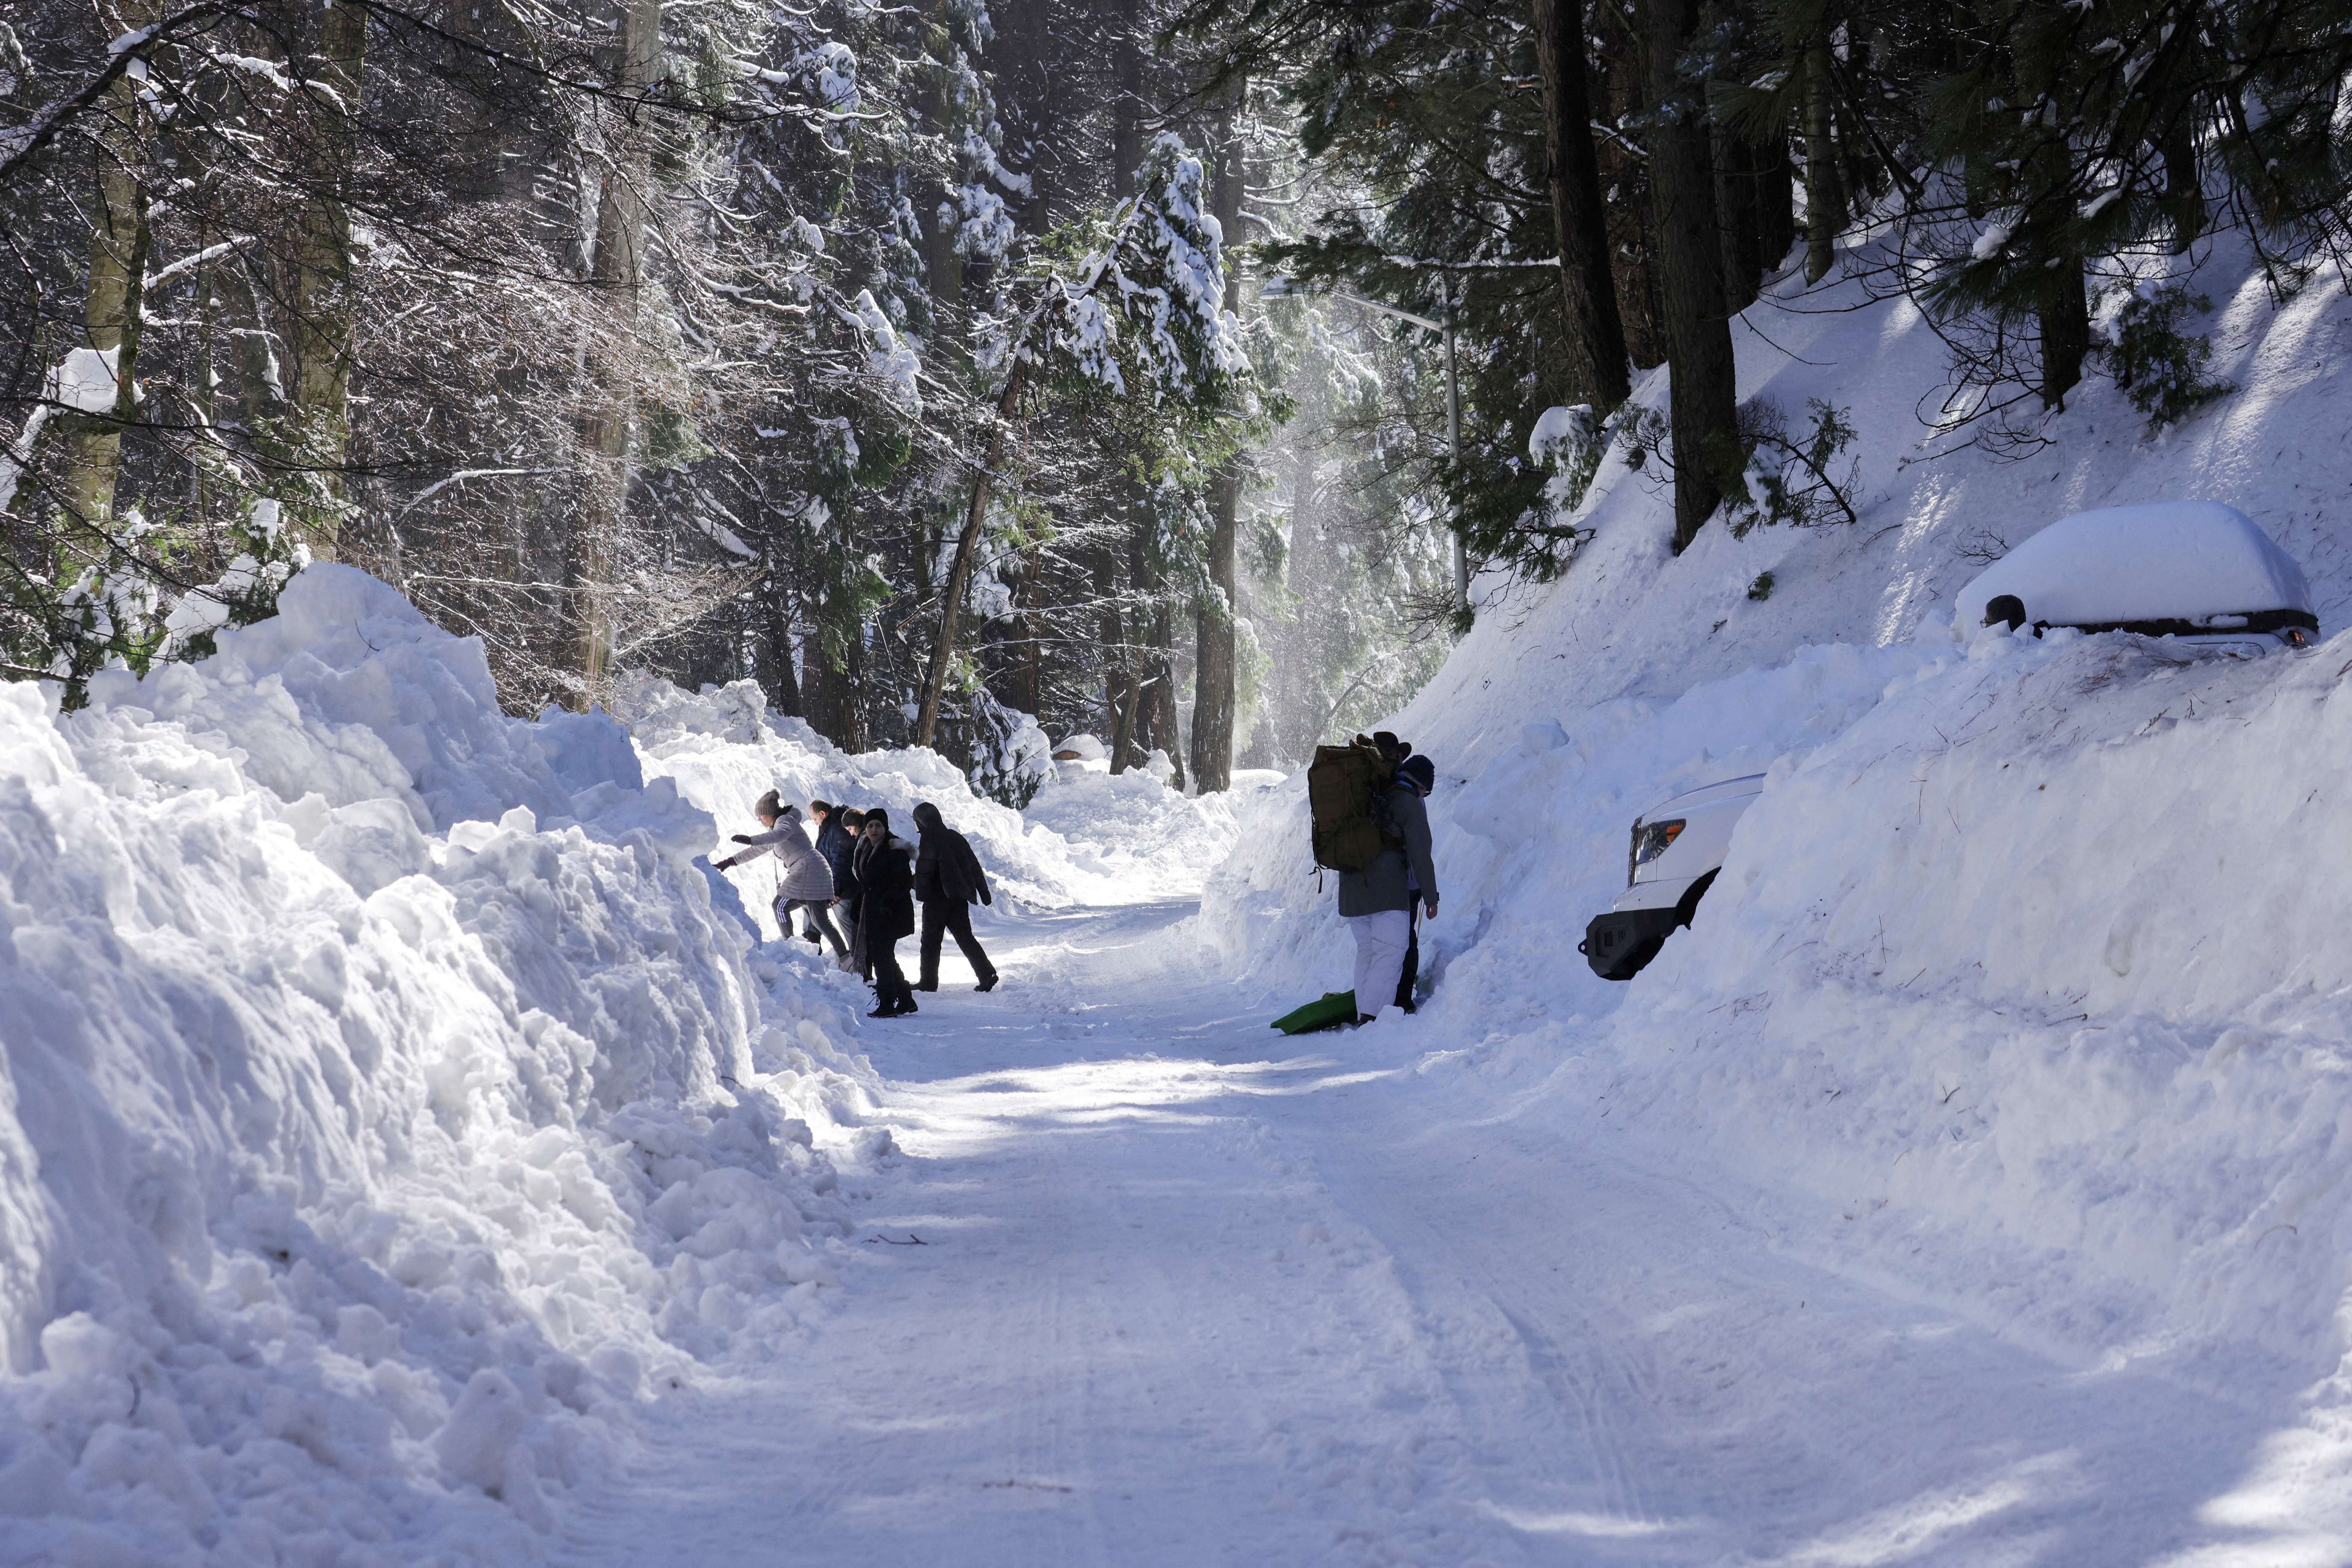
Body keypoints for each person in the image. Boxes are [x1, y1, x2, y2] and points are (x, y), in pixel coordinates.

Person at [1338, 747, 1438, 1025]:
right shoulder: (1408, 801)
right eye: (1426, 793)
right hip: (1387, 890)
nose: (1424, 798)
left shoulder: (1370, 792)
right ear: (1420, 784)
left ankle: (1365, 1014)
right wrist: (1431, 896)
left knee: (1369, 950)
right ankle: (1375, 1017)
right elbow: (1420, 853)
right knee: (1393, 950)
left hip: (1351, 884)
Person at [712, 790, 847, 958]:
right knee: (819, 920)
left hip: (808, 868)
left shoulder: (785, 821)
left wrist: (750, 839)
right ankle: (844, 957)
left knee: (780, 906)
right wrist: (730, 861)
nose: (759, 819)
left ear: (770, 813)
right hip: (813, 868)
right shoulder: (779, 827)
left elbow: (778, 835)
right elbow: (759, 849)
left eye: (761, 815)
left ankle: (789, 948)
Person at [911, 801, 1000, 993]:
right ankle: (987, 974)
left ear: (921, 821)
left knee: (931, 942)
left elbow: (925, 869)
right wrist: (984, 892)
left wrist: (916, 886)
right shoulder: (955, 837)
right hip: (958, 898)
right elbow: (973, 865)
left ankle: (928, 982)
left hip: (936, 900)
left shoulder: (929, 839)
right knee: (965, 937)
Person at [851, 808, 919, 1017]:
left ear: (886, 827)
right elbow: (866, 883)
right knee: (885, 956)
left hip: (891, 912)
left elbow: (904, 882)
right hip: (874, 910)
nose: (874, 829)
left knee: (882, 957)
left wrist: (887, 903)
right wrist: (858, 905)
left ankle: (888, 1003)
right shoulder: (864, 847)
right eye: (870, 825)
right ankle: (906, 1000)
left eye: (878, 825)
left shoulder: (894, 849)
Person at [831, 806, 867, 970]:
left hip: (857, 893)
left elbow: (844, 866)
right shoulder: (859, 839)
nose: (851, 833)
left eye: (851, 829)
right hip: (858, 892)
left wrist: (837, 890)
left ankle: (860, 968)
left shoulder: (863, 840)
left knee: (856, 934)